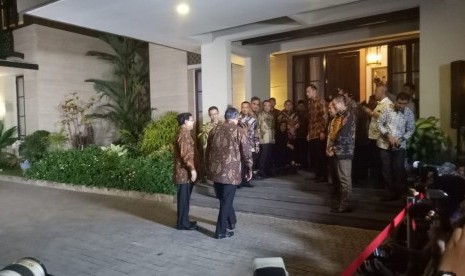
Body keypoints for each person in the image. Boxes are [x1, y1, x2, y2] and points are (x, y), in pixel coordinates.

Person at [206, 107, 253, 239]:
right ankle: (220, 231)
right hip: (230, 173)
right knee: (226, 201)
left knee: (224, 199)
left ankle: (231, 221)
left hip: (215, 171)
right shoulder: (238, 131)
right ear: (236, 116)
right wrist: (249, 168)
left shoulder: (214, 130)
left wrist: (207, 168)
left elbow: (207, 151)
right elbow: (246, 152)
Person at [377, 92, 415, 201]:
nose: (401, 105)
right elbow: (379, 123)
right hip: (384, 144)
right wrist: (388, 135)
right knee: (386, 169)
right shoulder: (387, 110)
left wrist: (401, 139)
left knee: (399, 168)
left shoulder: (409, 113)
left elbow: (411, 129)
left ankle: (401, 192)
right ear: (395, 100)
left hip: (400, 145)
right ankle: (390, 193)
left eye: (404, 104)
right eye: (399, 103)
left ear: (407, 104)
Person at [326, 95, 356, 213]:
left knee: (345, 179)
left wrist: (333, 146)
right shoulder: (342, 115)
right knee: (342, 178)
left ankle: (345, 205)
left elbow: (343, 134)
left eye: (334, 104)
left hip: (345, 150)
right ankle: (342, 203)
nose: (333, 106)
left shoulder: (348, 115)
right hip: (340, 150)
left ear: (340, 103)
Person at [362, 85, 393, 187]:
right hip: (374, 136)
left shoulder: (388, 104)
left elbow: (387, 119)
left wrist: (371, 113)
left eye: (376, 91)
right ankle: (377, 182)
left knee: (380, 162)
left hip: (380, 138)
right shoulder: (380, 103)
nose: (375, 93)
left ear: (382, 92)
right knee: (376, 161)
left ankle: (382, 184)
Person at [173, 113, 199, 230]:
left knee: (185, 199)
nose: (193, 122)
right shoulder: (183, 134)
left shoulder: (186, 133)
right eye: (191, 120)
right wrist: (193, 170)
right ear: (185, 122)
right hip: (184, 173)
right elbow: (186, 155)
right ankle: (182, 224)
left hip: (185, 173)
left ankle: (184, 221)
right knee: (183, 199)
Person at [307, 84, 328, 182]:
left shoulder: (321, 102)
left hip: (319, 132)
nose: (307, 93)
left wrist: (323, 131)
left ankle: (324, 176)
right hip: (312, 132)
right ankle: (318, 174)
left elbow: (324, 117)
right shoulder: (310, 103)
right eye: (307, 92)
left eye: (309, 91)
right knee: (315, 155)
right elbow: (310, 119)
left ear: (314, 91)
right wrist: (308, 133)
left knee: (321, 155)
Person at [239, 101, 260, 184]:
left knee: (250, 163)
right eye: (243, 107)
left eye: (246, 107)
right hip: (240, 144)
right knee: (241, 163)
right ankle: (240, 181)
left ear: (249, 108)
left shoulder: (253, 120)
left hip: (251, 144)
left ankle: (247, 180)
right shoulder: (237, 119)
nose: (245, 109)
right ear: (241, 108)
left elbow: (256, 132)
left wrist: (257, 145)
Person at [257, 100, 275, 178]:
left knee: (269, 155)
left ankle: (267, 171)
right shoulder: (260, 115)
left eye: (269, 105)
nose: (267, 107)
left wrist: (274, 137)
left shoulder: (272, 115)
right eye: (265, 105)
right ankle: (261, 171)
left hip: (270, 137)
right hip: (263, 137)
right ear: (263, 106)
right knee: (263, 156)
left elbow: (273, 127)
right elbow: (258, 127)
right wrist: (259, 137)